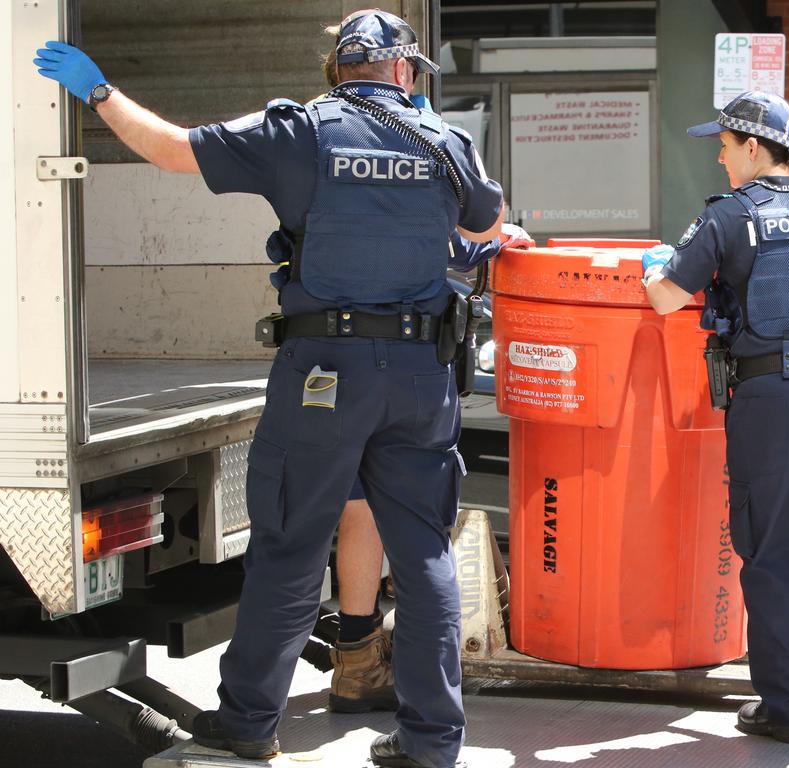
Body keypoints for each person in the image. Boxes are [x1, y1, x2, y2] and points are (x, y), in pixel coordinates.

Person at [35, 8, 505, 767]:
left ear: (338, 70)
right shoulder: (445, 141)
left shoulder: (298, 131)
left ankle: (250, 723)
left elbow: (171, 150)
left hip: (326, 372)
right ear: (403, 70)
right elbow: (491, 223)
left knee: (290, 548)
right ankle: (432, 742)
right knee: (423, 557)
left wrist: (98, 93)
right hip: (422, 376)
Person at [640, 91, 789, 747]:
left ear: (752, 147)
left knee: (771, 555)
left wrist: (652, 266)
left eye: (722, 146)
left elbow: (665, 298)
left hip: (770, 400)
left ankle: (786, 710)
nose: (718, 159)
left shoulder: (727, 218)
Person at [307, 16, 530, 717]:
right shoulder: (423, 143)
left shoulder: (319, 140)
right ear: (403, 74)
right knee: (407, 519)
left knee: (354, 508)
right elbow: (472, 235)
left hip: (325, 357)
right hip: (402, 361)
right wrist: (490, 239)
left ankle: (354, 660)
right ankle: (418, 696)